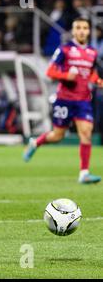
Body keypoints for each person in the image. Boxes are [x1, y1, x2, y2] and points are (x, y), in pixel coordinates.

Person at [23, 18, 103, 184]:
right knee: (57, 135)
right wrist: (66, 76)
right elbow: (50, 71)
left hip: (83, 100)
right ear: (73, 31)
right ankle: (35, 143)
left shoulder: (92, 52)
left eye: (85, 28)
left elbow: (91, 74)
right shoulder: (65, 50)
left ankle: (84, 173)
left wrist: (99, 81)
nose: (82, 31)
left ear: (89, 31)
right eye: (78, 28)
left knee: (86, 133)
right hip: (64, 99)